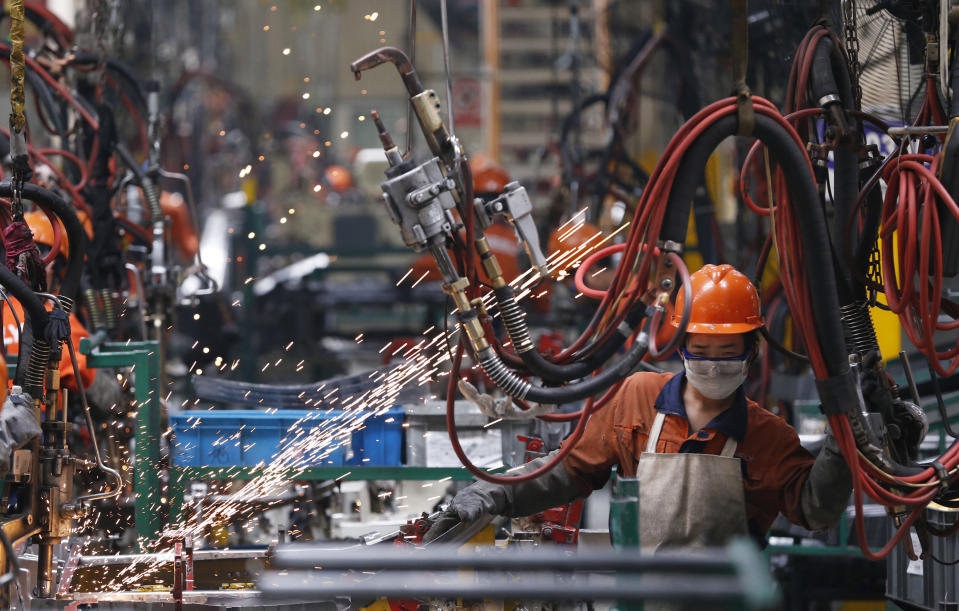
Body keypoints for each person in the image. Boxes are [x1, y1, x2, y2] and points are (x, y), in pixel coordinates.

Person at [427, 264, 853, 550]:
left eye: (727, 351)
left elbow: (816, 509)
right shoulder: (637, 398)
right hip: (638, 598)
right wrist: (490, 493)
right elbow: (566, 469)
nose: (713, 364)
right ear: (681, 345)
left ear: (752, 351)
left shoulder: (768, 437)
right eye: (701, 349)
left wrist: (845, 437)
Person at [1, 211, 124, 416]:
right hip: (35, 433)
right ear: (51, 269)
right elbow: (107, 397)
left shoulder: (3, 310)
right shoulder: (62, 322)